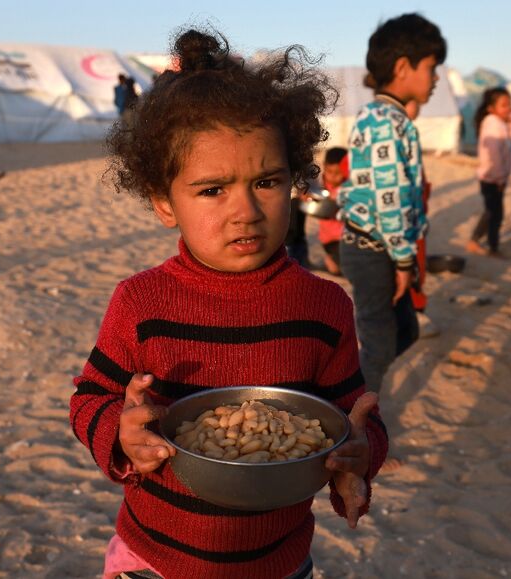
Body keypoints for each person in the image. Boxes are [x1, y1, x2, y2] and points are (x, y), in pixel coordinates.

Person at [70, 28, 389, 579]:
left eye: (266, 181)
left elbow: (349, 416)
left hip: (280, 563)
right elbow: (90, 398)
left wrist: (363, 450)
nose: (246, 211)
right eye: (213, 189)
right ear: (163, 202)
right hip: (153, 562)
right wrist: (119, 432)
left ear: (297, 181)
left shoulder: (324, 306)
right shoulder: (141, 302)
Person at [338, 12, 447, 392]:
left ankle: (356, 394)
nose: (436, 79)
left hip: (387, 246)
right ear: (403, 67)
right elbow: (389, 200)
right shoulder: (384, 120)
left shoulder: (393, 117)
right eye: (432, 68)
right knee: (380, 344)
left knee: (407, 331)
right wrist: (403, 259)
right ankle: (353, 423)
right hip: (373, 251)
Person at [466, 87, 511, 257]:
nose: (508, 109)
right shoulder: (491, 125)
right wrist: (499, 178)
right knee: (495, 214)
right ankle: (492, 247)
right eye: (504, 105)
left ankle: (477, 241)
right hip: (491, 179)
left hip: (498, 178)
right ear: (491, 108)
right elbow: (494, 157)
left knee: (492, 212)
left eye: (510, 105)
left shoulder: (502, 124)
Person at [403, 99, 438, 340]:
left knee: (417, 266)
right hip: (405, 217)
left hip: (416, 213)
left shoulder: (409, 131)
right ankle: (413, 311)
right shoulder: (396, 132)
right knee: (410, 265)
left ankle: (414, 308)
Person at [317, 147, 348, 275]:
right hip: (329, 239)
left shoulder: (349, 187)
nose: (333, 177)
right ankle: (330, 260)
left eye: (338, 173)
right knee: (343, 269)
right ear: (324, 166)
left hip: (347, 238)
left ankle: (332, 263)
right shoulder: (320, 185)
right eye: (330, 171)